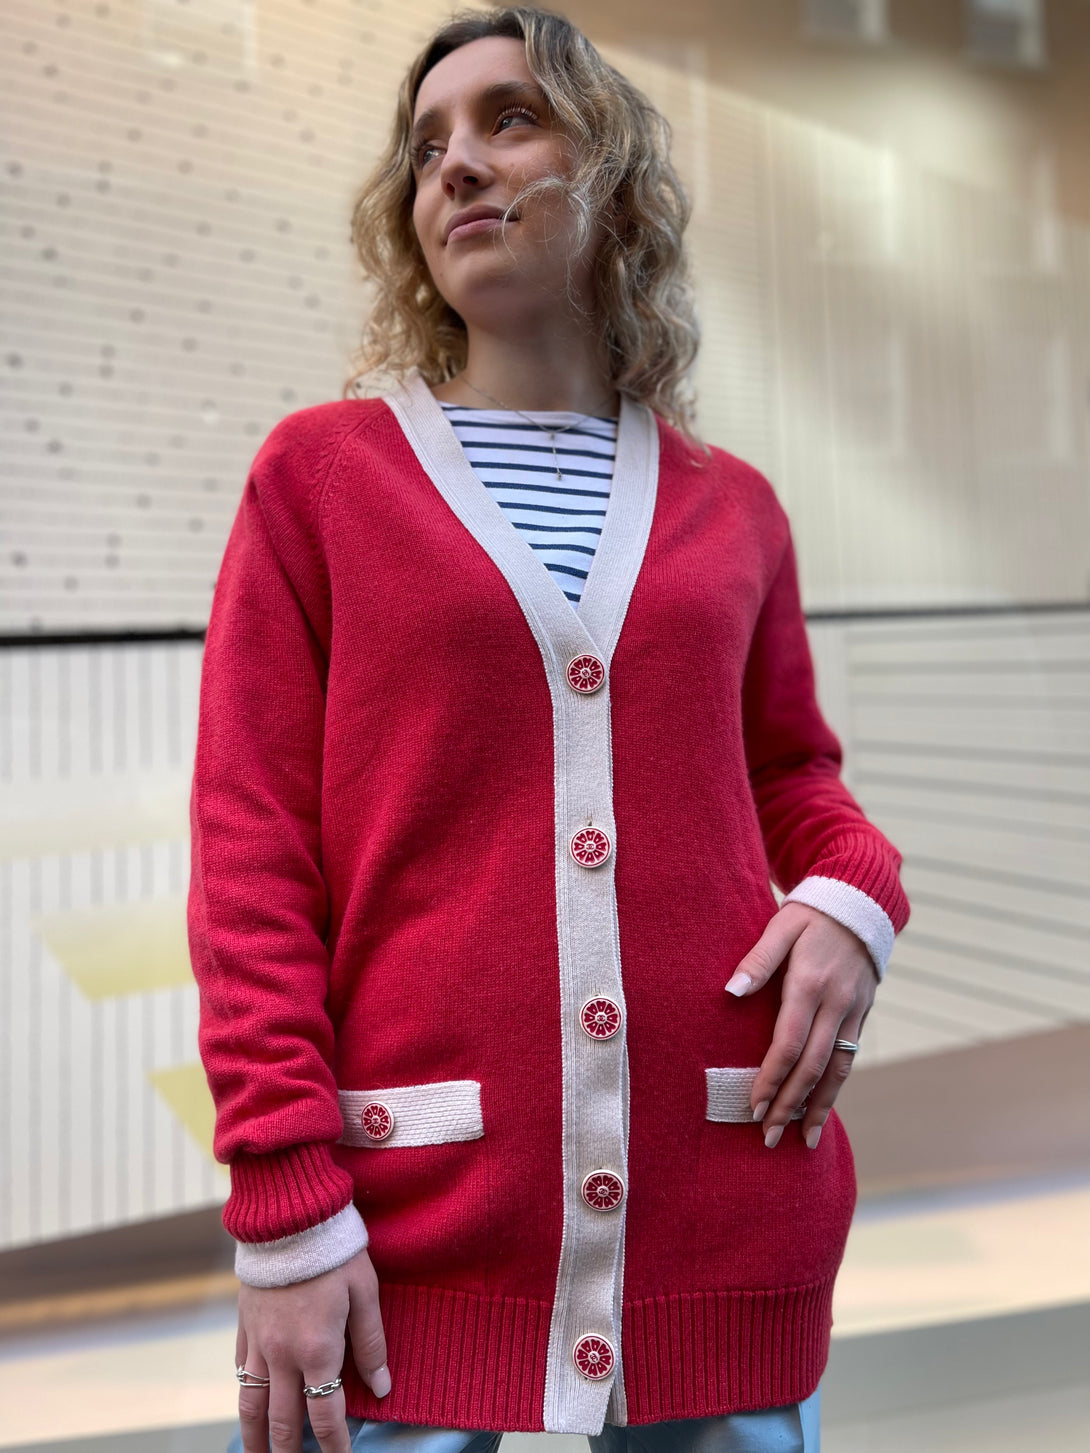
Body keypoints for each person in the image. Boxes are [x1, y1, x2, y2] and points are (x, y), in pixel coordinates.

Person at [187, 7, 910, 1453]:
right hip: (414, 1212)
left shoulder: (733, 507)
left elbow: (792, 777)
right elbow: (250, 852)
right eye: (425, 146)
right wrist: (284, 1200)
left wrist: (854, 896)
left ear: (615, 176)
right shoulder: (320, 481)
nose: (455, 163)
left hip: (724, 1199)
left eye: (509, 119)